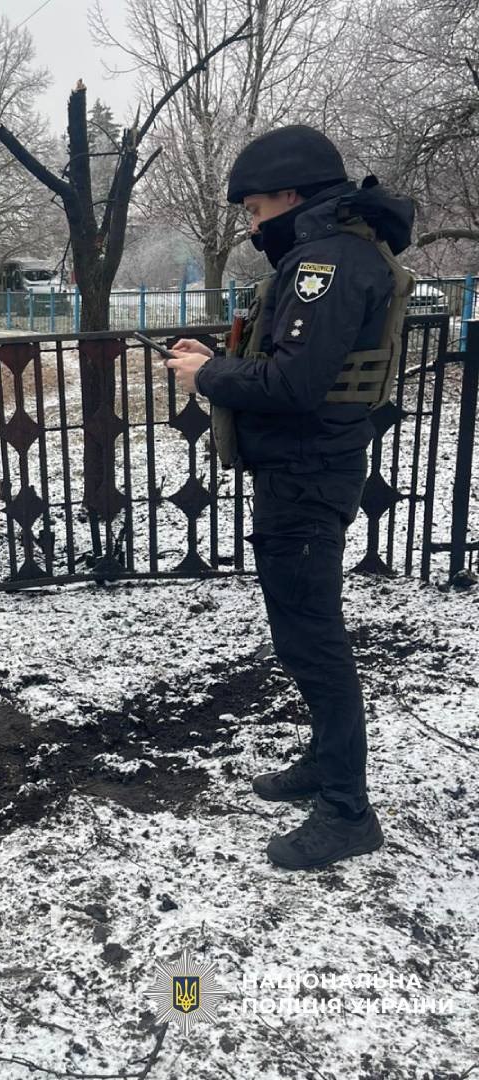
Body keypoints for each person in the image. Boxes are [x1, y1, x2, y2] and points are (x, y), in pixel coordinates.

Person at [163, 124, 416, 870]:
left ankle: (347, 809)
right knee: (302, 634)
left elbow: (294, 385)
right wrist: (223, 363)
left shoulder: (328, 262)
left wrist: (208, 376)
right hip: (303, 472)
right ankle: (323, 764)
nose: (250, 224)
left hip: (309, 476)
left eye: (253, 208)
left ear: (292, 195)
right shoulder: (330, 252)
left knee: (314, 640)